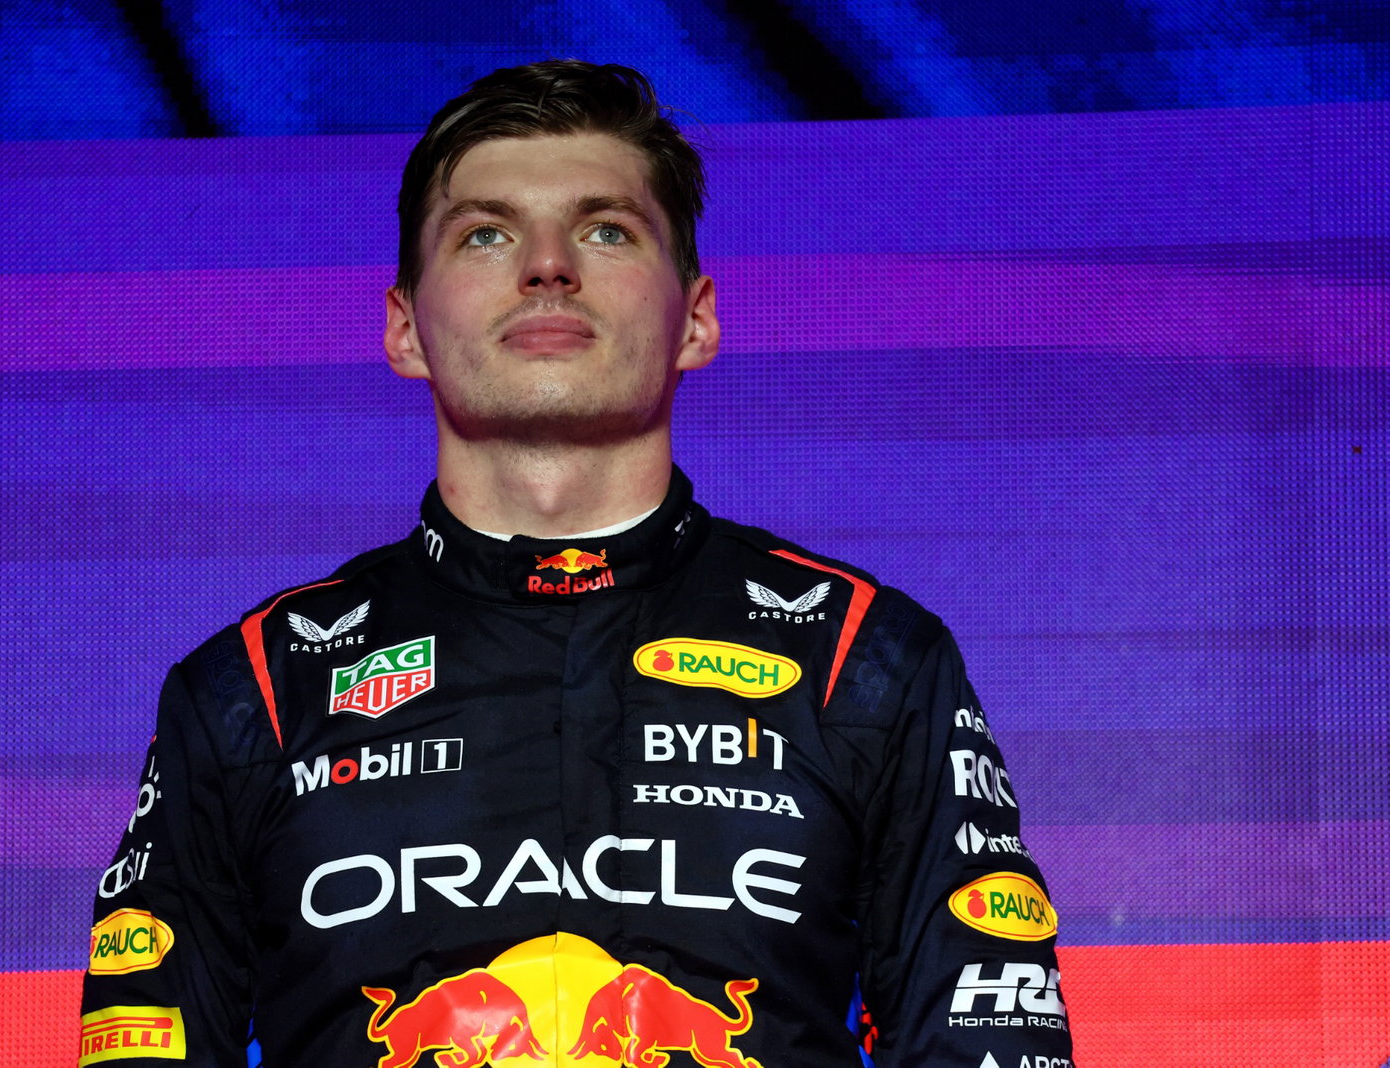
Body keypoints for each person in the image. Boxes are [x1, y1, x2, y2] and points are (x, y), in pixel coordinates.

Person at [81, 60, 1075, 1068]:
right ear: (402, 329)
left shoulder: (863, 657)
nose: (547, 265)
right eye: (486, 233)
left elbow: (986, 1037)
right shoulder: (252, 686)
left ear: (696, 320)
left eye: (606, 229)